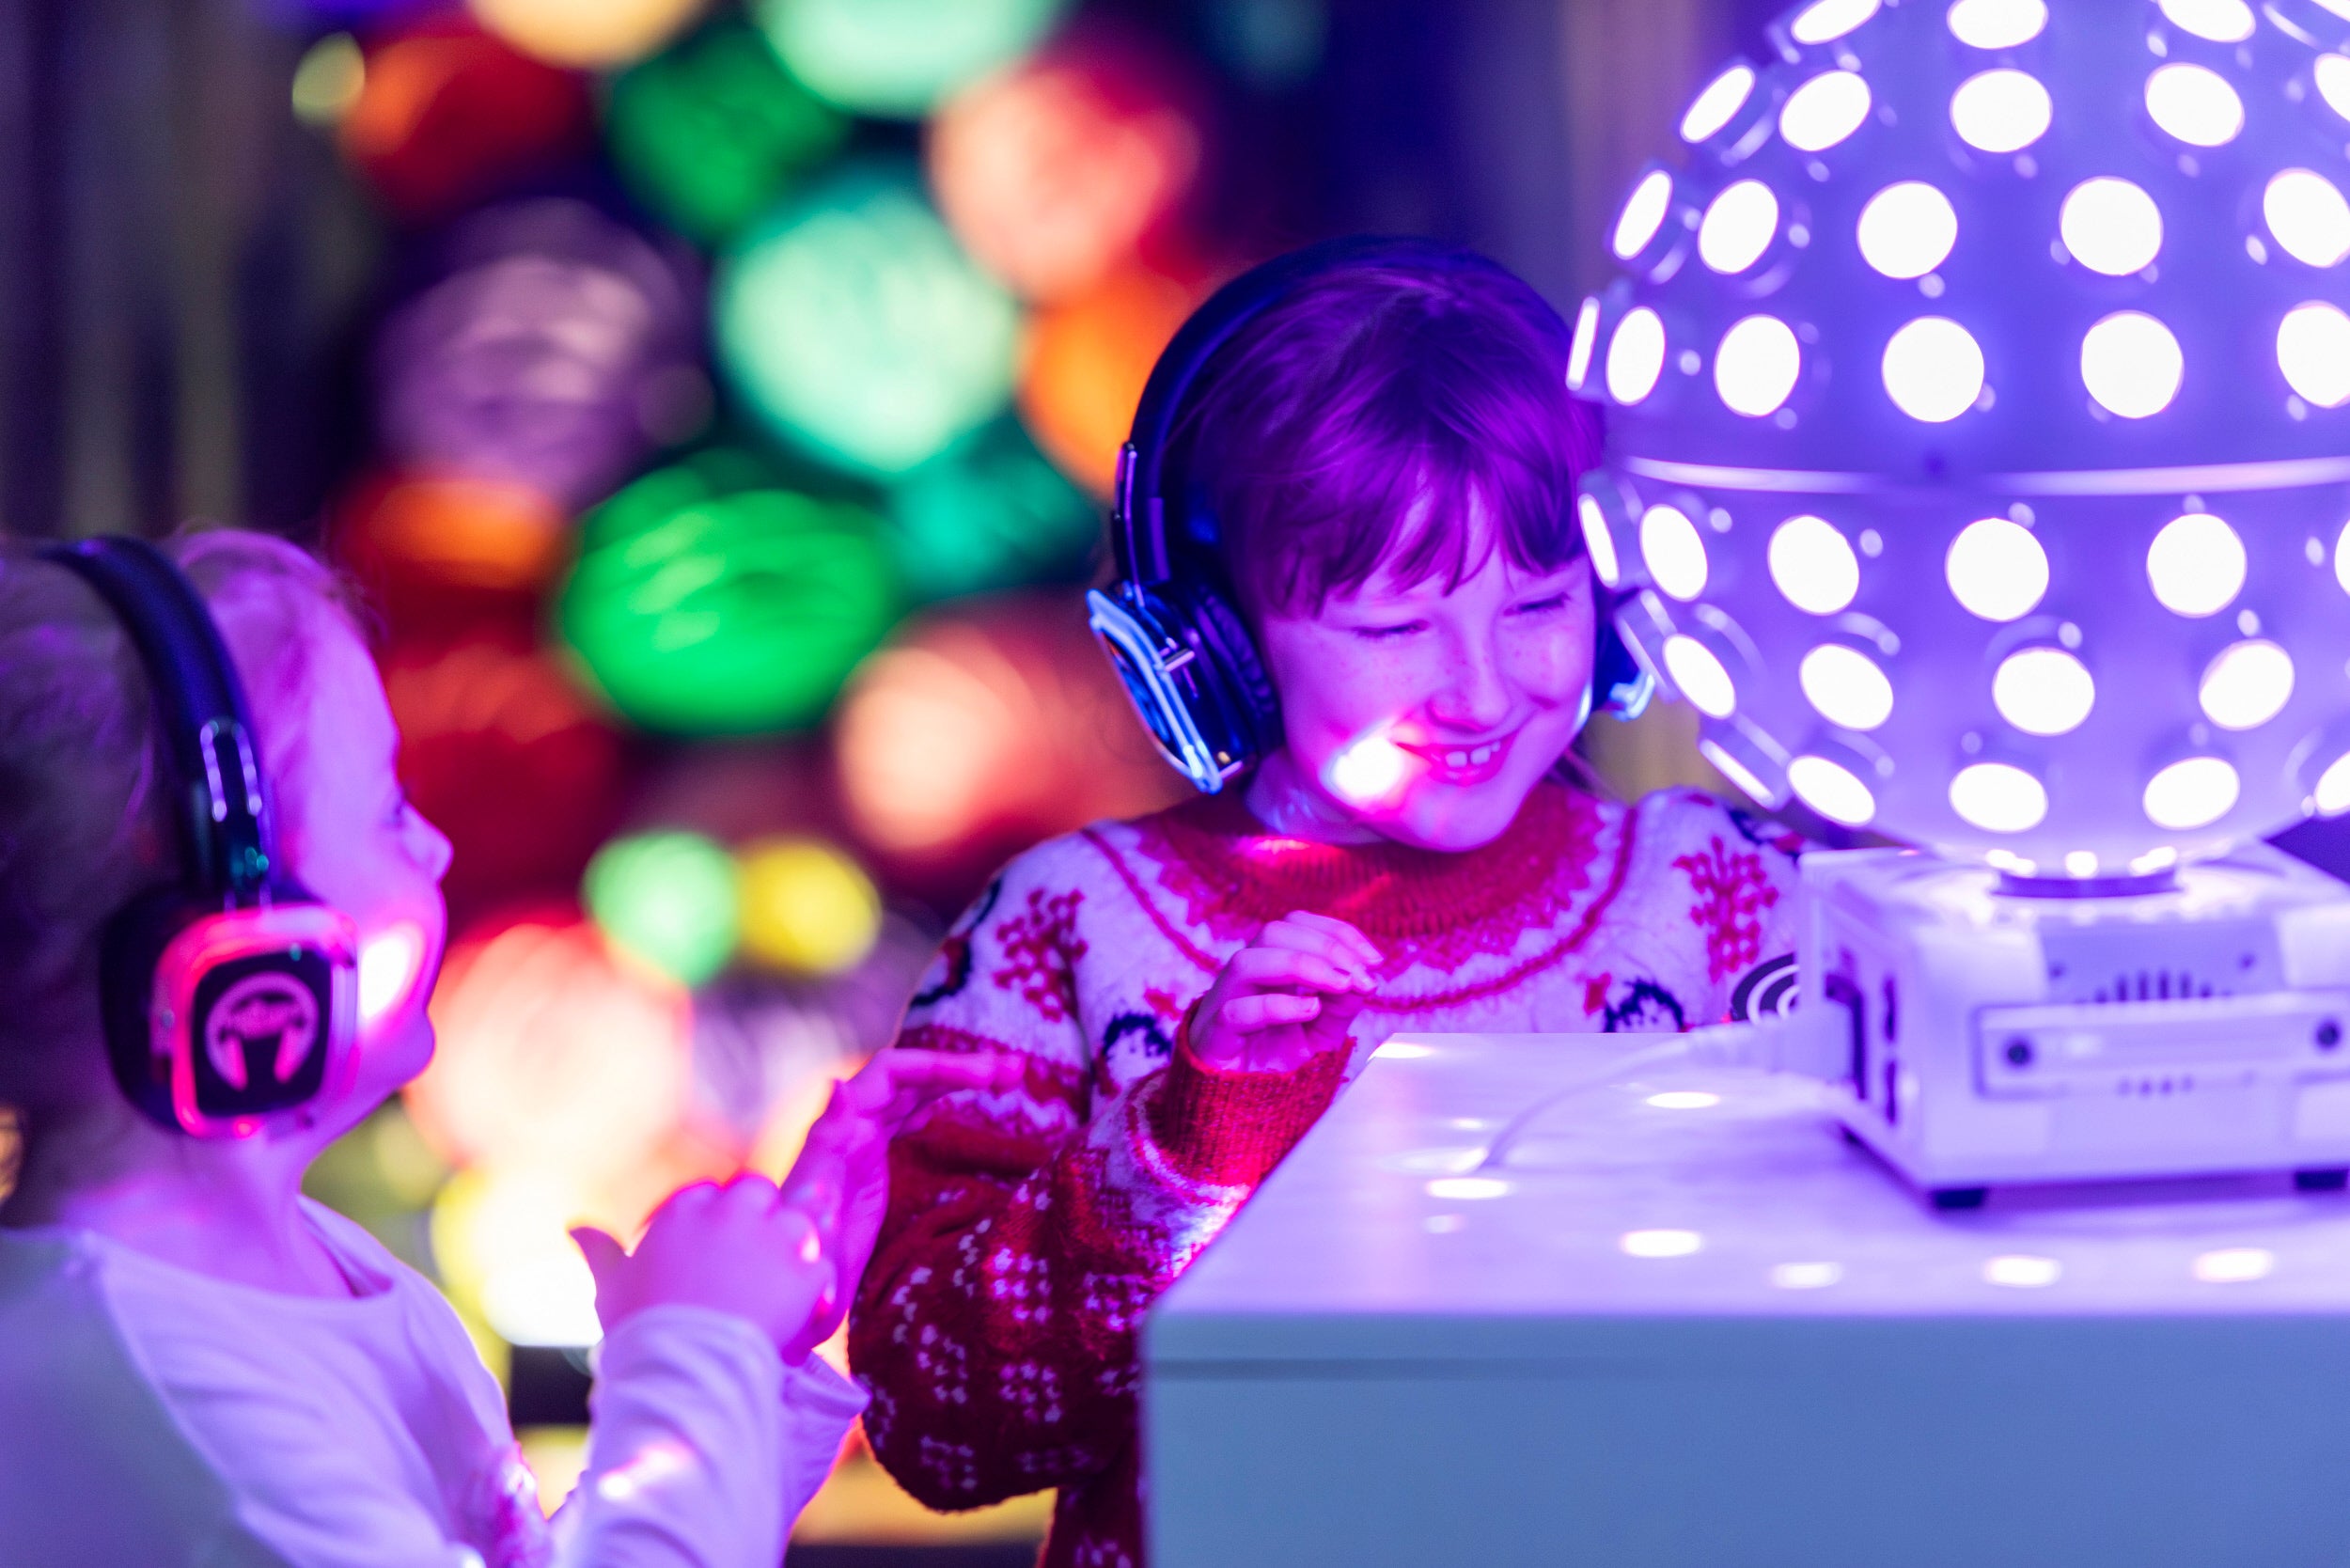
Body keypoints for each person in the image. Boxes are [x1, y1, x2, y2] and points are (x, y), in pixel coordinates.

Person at [847, 241, 1805, 1567]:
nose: (1480, 689)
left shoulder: (1729, 897)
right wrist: (1190, 1139)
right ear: (1217, 643)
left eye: (1540, 603)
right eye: (1393, 627)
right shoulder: (1058, 930)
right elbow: (934, 1426)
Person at [0, 529, 1017, 1567]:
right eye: (389, 813)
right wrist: (692, 1353)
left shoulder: (319, 1266)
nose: (436, 846)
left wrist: (761, 1363)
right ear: (236, 952)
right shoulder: (160, 1399)